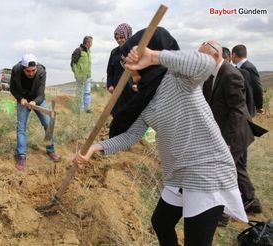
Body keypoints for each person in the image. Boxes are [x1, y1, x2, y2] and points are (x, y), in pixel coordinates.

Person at [73, 27, 247, 246]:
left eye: (129, 65)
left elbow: (205, 63)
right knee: (161, 223)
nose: (127, 71)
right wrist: (94, 149)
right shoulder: (147, 97)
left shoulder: (178, 78)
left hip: (205, 170)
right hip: (179, 174)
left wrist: (155, 56)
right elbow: (130, 135)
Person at [201, 41, 263, 216]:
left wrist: (228, 142)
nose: (199, 60)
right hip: (223, 130)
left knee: (222, 171)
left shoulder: (230, 74)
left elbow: (237, 109)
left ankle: (222, 214)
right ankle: (252, 201)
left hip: (235, 133)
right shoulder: (210, 74)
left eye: (202, 57)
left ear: (215, 56)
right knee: (236, 168)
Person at [10, 53, 59, 171]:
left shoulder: (42, 71)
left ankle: (50, 150)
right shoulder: (16, 70)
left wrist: (35, 102)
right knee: (21, 128)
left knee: (48, 124)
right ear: (23, 68)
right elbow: (12, 88)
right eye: (28, 71)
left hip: (37, 100)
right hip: (23, 100)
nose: (31, 73)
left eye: (33, 70)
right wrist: (20, 99)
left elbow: (41, 93)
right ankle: (21, 156)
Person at [106, 23, 136, 116]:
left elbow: (141, 70)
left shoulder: (135, 51)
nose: (119, 40)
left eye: (121, 37)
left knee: (135, 114)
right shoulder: (114, 52)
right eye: (117, 38)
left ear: (128, 36)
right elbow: (110, 71)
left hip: (132, 89)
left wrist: (136, 84)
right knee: (118, 114)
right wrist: (110, 85)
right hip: (117, 89)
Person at [231, 44, 264, 115]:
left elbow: (257, 87)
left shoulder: (249, 67)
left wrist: (259, 106)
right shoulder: (239, 68)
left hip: (248, 108)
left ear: (234, 54)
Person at [71, 36, 93, 113]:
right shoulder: (78, 51)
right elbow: (73, 64)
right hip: (80, 77)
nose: (92, 44)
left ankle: (87, 109)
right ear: (87, 42)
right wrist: (77, 75)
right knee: (80, 92)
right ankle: (79, 109)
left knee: (87, 92)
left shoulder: (88, 51)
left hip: (88, 76)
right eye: (91, 42)